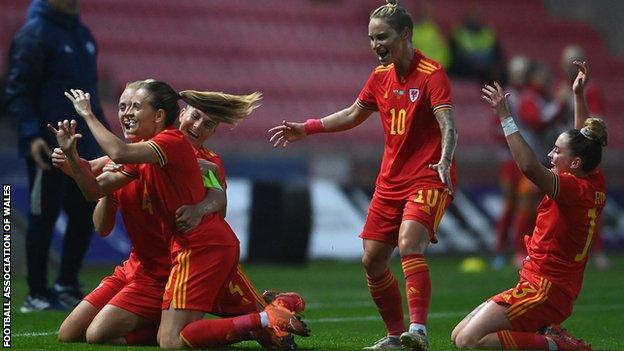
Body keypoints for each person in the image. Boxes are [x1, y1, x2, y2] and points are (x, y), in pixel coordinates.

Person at [50, 80, 309, 349]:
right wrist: (71, 158)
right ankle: (263, 317)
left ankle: (265, 318)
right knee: (80, 334)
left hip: (191, 255)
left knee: (189, 336)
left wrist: (199, 209)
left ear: (160, 115)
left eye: (208, 124)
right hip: (152, 262)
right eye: (195, 117)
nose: (197, 126)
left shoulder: (190, 154)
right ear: (181, 113)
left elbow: (218, 197)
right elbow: (97, 183)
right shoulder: (146, 150)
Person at [268, 1, 458, 350]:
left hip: (429, 175)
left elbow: (448, 123)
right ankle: (395, 336)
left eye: (381, 37)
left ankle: (418, 333)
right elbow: (355, 113)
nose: (375, 45)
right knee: (372, 260)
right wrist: (307, 128)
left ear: (405, 35)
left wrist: (445, 159)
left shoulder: (432, 74)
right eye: (371, 38)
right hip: (390, 180)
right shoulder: (380, 77)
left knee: (409, 243)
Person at [451, 61, 605, 351]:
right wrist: (577, 97)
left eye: (556, 151)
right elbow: (583, 141)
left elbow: (529, 166)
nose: (550, 153)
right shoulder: (592, 178)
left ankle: (559, 345)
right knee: (458, 334)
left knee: (470, 341)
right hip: (545, 285)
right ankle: (548, 332)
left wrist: (505, 117)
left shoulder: (572, 187)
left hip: (544, 289)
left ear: (574, 163)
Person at [3, 0, 108, 312]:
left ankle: (66, 285)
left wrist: (99, 135)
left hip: (84, 145)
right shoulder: (35, 33)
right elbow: (17, 89)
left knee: (83, 212)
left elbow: (89, 92)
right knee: (42, 216)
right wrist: (30, 134)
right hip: (48, 146)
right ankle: (36, 293)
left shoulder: (83, 34)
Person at [555, 44, 609, 270]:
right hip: (564, 150)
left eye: (574, 60)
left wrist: (578, 97)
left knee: (589, 207)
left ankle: (596, 251)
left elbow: (595, 126)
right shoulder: (559, 89)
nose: (570, 65)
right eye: (567, 61)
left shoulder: (590, 90)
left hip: (581, 153)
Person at [490, 55, 531, 269]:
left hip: (526, 159)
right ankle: (499, 249)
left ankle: (519, 250)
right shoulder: (507, 97)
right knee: (509, 205)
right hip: (509, 161)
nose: (521, 76)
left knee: (526, 205)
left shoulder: (531, 96)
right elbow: (495, 129)